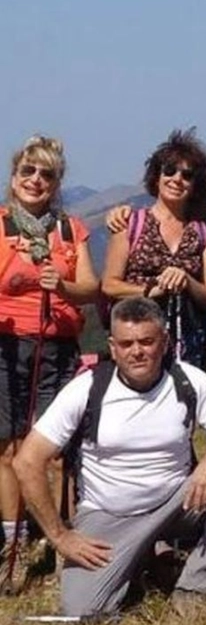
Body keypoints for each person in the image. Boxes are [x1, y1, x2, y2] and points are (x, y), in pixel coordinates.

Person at [13, 297, 206, 620]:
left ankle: (197, 585)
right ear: (112, 346)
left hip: (178, 503)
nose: (137, 351)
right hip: (109, 513)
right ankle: (147, 559)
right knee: (83, 611)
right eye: (127, 343)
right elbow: (27, 461)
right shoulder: (86, 389)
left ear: (164, 342)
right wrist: (61, 536)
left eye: (147, 341)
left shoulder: (188, 380)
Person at [0, 135, 98, 594]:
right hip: (5, 346)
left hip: (56, 347)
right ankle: (12, 545)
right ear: (14, 177)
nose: (36, 181)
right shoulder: (0, 226)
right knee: (9, 448)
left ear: (58, 183)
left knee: (54, 450)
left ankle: (61, 542)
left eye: (47, 174)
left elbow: (90, 290)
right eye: (28, 172)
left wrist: (60, 285)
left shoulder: (69, 230)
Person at [100, 129, 206, 369]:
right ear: (156, 176)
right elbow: (109, 285)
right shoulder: (131, 224)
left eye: (187, 175)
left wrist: (187, 281)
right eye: (169, 170)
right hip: (137, 342)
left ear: (195, 185)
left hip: (186, 345)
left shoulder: (200, 231)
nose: (177, 179)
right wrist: (150, 290)